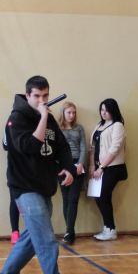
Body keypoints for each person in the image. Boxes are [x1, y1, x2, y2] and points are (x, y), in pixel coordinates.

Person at [0, 75, 81, 274]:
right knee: (45, 239)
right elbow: (31, 146)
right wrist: (42, 117)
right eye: (37, 96)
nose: (42, 100)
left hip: (44, 186)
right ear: (27, 95)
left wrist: (69, 168)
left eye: (45, 96)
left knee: (32, 237)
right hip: (24, 187)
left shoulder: (50, 119)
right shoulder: (16, 119)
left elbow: (62, 147)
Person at [89, 98, 128, 241]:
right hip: (98, 168)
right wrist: (92, 166)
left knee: (102, 196)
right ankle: (108, 228)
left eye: (107, 110)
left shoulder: (118, 125)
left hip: (112, 168)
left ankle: (110, 229)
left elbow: (114, 149)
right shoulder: (99, 125)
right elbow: (92, 147)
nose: (103, 113)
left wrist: (101, 167)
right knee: (100, 197)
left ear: (113, 111)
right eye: (102, 110)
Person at [58, 101, 87, 244]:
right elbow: (56, 149)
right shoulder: (57, 129)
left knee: (73, 198)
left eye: (74, 112)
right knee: (66, 199)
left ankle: (69, 232)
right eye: (69, 112)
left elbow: (83, 147)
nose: (72, 115)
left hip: (77, 165)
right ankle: (70, 231)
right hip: (63, 166)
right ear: (63, 113)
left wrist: (81, 163)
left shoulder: (79, 128)